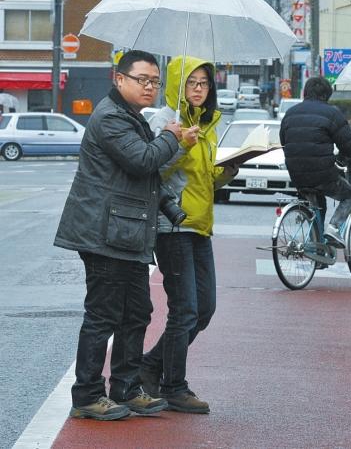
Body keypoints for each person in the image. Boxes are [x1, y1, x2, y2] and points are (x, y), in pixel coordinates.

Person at [54, 50, 184, 420]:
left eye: (155, 82)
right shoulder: (111, 117)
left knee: (137, 312)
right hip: (103, 233)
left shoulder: (132, 117)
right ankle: (87, 396)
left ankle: (126, 387)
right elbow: (142, 160)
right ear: (119, 79)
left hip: (124, 231)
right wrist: (170, 138)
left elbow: (142, 176)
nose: (150, 87)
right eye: (142, 79)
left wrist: (169, 202)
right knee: (103, 315)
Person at [140, 55, 238, 414]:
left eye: (205, 83)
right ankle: (173, 386)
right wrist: (180, 143)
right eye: (192, 83)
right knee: (184, 311)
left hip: (200, 225)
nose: (199, 89)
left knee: (204, 309)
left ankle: (150, 366)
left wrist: (225, 173)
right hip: (173, 226)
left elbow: (202, 178)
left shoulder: (205, 124)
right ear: (177, 85)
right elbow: (152, 169)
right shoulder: (164, 120)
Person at [279, 76, 351, 248]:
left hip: (296, 173)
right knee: (349, 195)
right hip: (323, 173)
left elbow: (284, 141)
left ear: (305, 93)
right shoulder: (332, 113)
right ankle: (334, 228)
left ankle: (318, 251)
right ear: (327, 95)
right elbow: (349, 146)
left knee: (318, 205)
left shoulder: (290, 113)